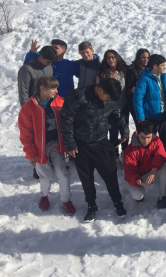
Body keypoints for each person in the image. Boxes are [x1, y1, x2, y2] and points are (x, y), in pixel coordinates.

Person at [60, 78, 129, 223]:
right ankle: (91, 205)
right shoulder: (78, 96)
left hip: (101, 142)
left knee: (110, 175)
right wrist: (71, 145)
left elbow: (116, 115)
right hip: (81, 145)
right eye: (108, 97)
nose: (108, 100)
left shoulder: (109, 99)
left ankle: (117, 202)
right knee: (86, 179)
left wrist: (124, 131)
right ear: (100, 89)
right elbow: (66, 121)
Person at [18, 76, 75, 216]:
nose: (56, 90)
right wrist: (30, 153)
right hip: (39, 148)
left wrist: (68, 144)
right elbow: (25, 132)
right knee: (46, 175)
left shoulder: (60, 102)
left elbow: (69, 125)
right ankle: (44, 196)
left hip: (57, 144)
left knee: (62, 173)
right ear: (42, 88)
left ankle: (66, 200)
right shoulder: (29, 107)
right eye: (53, 88)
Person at [133, 54, 166, 155]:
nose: (165, 67)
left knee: (165, 141)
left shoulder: (164, 77)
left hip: (164, 115)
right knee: (150, 142)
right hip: (150, 117)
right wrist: (141, 117)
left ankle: (165, 161)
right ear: (155, 66)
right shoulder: (144, 79)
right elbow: (137, 99)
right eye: (162, 65)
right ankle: (151, 163)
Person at [123, 120, 166, 209]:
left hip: (151, 171)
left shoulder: (156, 141)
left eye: (148, 137)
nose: (146, 140)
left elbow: (160, 155)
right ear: (137, 134)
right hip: (138, 176)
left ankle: (162, 198)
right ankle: (139, 196)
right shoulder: (130, 149)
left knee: (165, 166)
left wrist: (154, 169)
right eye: (143, 137)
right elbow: (129, 170)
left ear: (152, 134)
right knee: (137, 195)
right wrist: (137, 180)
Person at [97, 50, 128, 155]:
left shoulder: (124, 70)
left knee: (124, 130)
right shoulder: (103, 73)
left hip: (123, 105)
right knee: (113, 131)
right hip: (109, 107)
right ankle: (114, 154)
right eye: (108, 57)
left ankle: (125, 152)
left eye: (113, 57)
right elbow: (100, 88)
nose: (111, 59)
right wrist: (110, 80)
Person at [125, 49, 150, 126]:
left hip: (148, 103)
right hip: (136, 103)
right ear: (138, 57)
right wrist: (133, 90)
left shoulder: (151, 69)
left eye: (147, 57)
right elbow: (128, 89)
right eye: (143, 57)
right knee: (141, 127)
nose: (146, 59)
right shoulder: (131, 70)